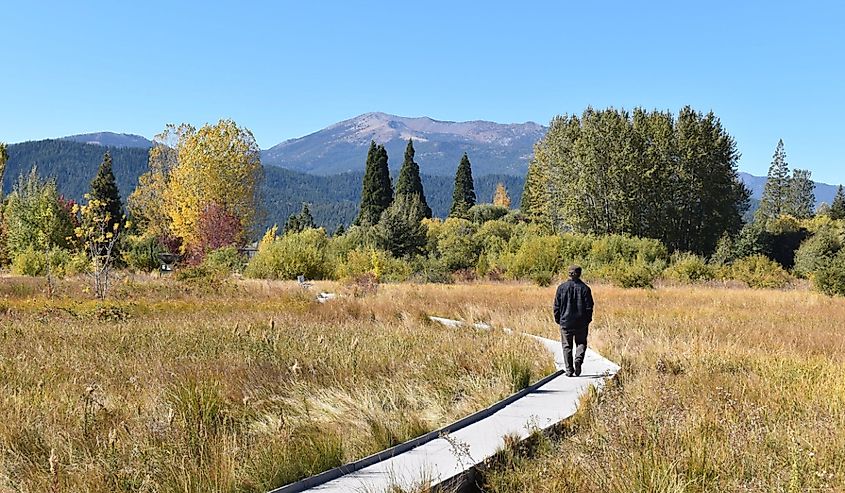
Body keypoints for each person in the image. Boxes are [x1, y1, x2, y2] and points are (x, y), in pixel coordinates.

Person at [553, 265, 594, 377]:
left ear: (569, 274)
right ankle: (578, 360)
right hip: (581, 322)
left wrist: (558, 319)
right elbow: (589, 307)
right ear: (579, 274)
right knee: (581, 343)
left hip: (565, 322)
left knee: (567, 346)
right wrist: (587, 320)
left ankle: (569, 370)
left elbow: (556, 306)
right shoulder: (585, 288)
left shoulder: (561, 288)